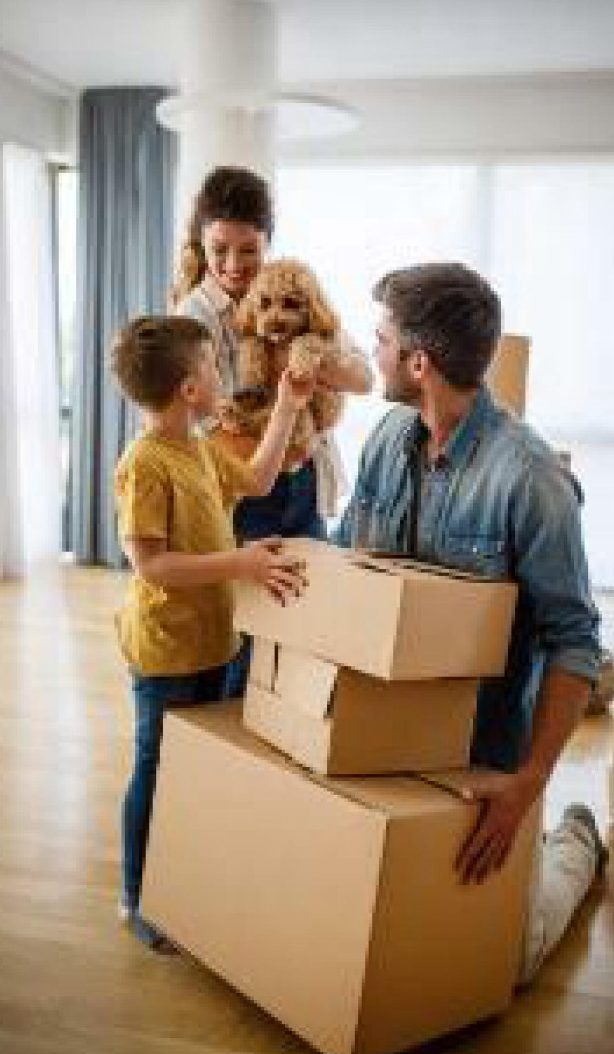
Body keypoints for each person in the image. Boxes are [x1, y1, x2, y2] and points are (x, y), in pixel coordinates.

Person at [334, 262, 607, 982]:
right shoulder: (384, 439)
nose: (374, 351)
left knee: (503, 966)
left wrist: (526, 782)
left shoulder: (532, 479)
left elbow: (577, 643)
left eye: (382, 339)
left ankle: (575, 837)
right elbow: (346, 564)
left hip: (482, 752)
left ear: (418, 363)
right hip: (381, 730)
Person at [111, 314, 311, 948]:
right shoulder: (145, 464)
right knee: (157, 766)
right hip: (167, 650)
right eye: (212, 366)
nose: (222, 374)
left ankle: (188, 881)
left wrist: (285, 410)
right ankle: (138, 897)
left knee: (196, 771)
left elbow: (256, 480)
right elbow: (152, 563)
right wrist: (242, 562)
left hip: (215, 641)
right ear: (189, 388)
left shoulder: (200, 447)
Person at [173, 165, 373, 694]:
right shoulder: (196, 315)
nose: (234, 265)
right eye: (220, 249)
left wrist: (305, 358)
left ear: (268, 244)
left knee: (309, 609)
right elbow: (215, 427)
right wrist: (283, 420)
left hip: (303, 482)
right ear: (201, 241)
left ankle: (290, 731)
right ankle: (241, 737)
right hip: (249, 488)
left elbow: (363, 375)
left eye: (248, 250)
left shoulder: (291, 287)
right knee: (255, 622)